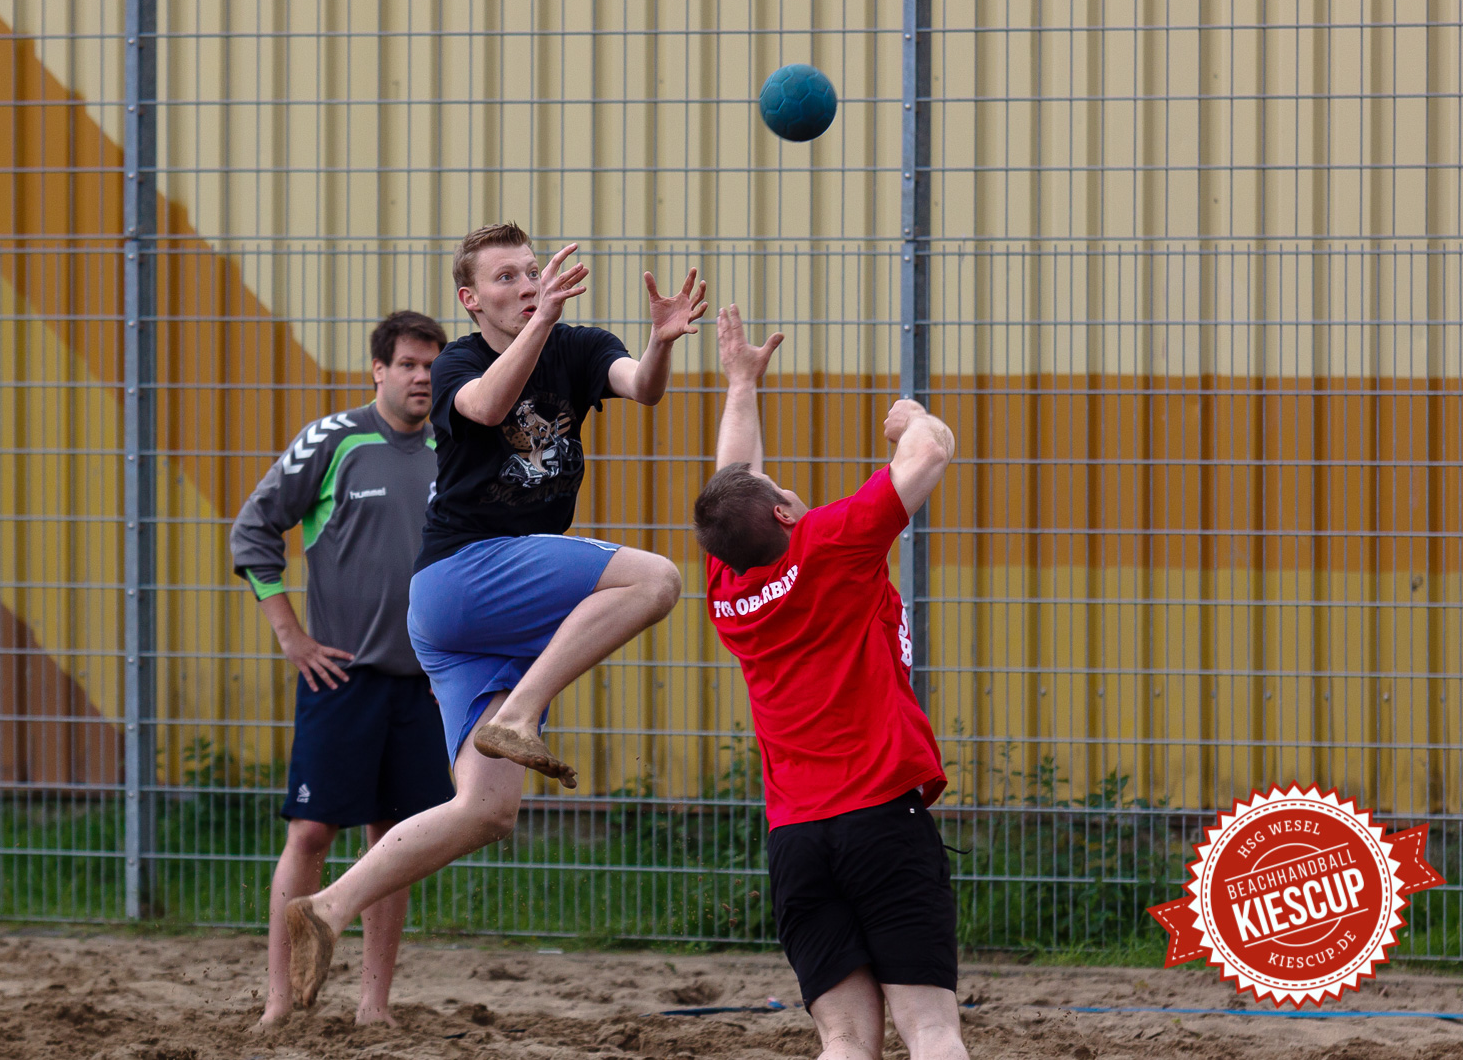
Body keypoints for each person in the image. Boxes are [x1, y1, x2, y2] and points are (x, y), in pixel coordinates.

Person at [283, 222, 707, 1006]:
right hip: (462, 576)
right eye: (505, 278)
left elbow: (641, 388)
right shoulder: (458, 363)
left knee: (485, 809)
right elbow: (484, 408)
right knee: (655, 580)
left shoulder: (578, 346)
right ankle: (524, 709)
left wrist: (660, 344)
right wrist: (539, 318)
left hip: (487, 609)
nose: (523, 285)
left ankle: (328, 905)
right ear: (470, 298)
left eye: (529, 271)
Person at [693, 305, 966, 1060]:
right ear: (784, 510)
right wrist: (910, 416)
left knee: (844, 1039)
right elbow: (933, 451)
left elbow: (732, 483)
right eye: (782, 489)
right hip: (880, 818)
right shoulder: (831, 541)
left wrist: (741, 384)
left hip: (796, 839)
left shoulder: (726, 587)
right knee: (932, 1028)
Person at [229, 310, 454, 1028]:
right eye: (410, 364)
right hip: (340, 679)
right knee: (312, 835)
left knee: (395, 846)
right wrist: (290, 632)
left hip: (424, 683)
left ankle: (374, 1004)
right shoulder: (335, 440)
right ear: (379, 371)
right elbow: (254, 528)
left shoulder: (455, 450)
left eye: (433, 366)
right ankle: (278, 1000)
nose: (423, 377)